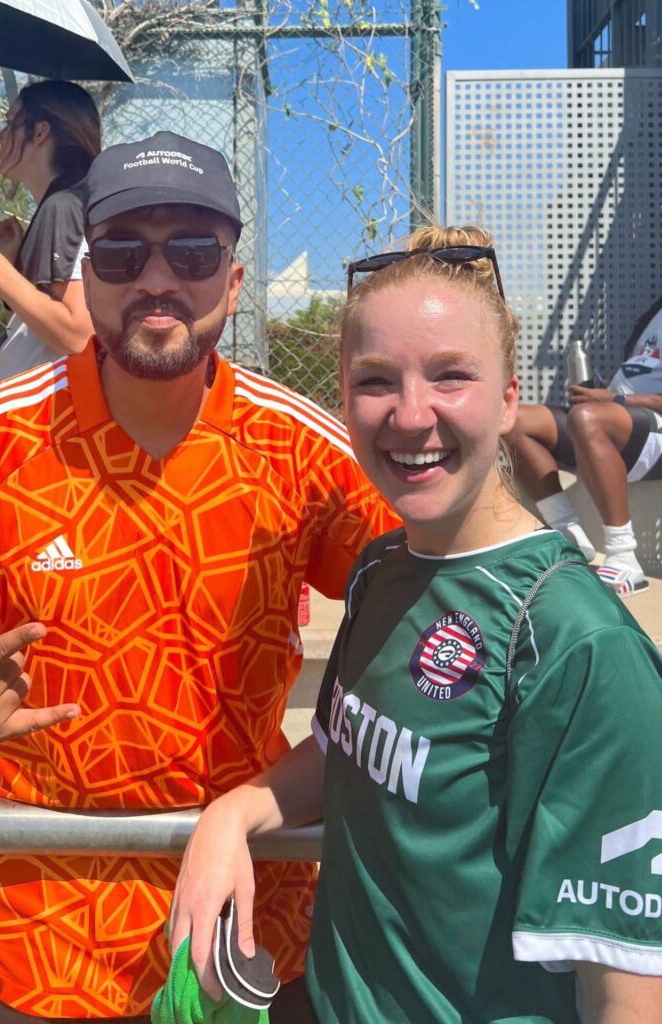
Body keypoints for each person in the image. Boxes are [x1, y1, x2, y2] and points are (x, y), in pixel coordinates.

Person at [0, 131, 398, 1022]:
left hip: (245, 914)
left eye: (194, 251)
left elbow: (421, 602)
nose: (157, 278)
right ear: (86, 279)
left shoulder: (303, 450)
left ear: (233, 284)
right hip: (36, 928)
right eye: (122, 251)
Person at [170, 227, 662, 1023]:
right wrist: (236, 813)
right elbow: (341, 746)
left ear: (509, 399)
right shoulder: (379, 568)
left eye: (451, 376)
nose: (410, 415)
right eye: (375, 380)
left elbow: (626, 985)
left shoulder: (579, 643)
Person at [0, 79, 99, 381]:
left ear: (40, 132)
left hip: (49, 418)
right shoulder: (62, 202)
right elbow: (36, 331)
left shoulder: (65, 205)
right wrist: (12, 263)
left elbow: (80, 338)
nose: (0, 138)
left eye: (10, 122)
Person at [507, 300, 662, 597]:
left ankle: (624, 556)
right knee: (513, 420)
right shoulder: (653, 312)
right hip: (620, 419)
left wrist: (615, 400)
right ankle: (569, 535)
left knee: (587, 417)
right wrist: (603, 392)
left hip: (652, 426)